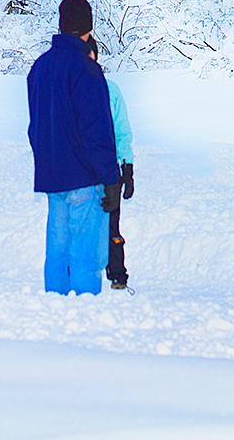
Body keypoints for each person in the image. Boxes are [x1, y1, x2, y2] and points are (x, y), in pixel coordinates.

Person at [26, 0, 120, 296]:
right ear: (88, 27)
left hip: (54, 176)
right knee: (86, 257)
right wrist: (111, 179)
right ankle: (84, 317)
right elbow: (97, 131)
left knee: (57, 253)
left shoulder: (39, 68)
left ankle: (54, 311)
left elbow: (35, 126)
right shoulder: (87, 70)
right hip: (86, 177)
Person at [88, 36, 135, 291]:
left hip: (110, 169)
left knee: (111, 222)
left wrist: (127, 166)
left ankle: (117, 274)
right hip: (82, 171)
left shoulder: (111, 90)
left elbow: (122, 131)